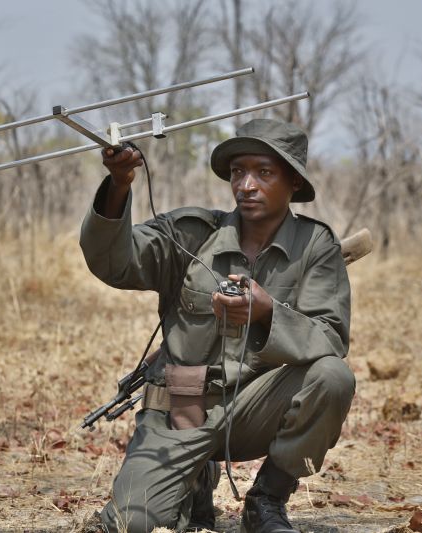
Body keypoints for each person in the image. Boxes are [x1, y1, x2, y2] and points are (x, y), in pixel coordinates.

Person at [80, 118, 356, 533]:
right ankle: (195, 481)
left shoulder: (316, 246)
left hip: (254, 409)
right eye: (238, 172)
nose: (246, 185)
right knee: (130, 525)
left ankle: (266, 500)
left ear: (294, 181)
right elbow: (113, 263)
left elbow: (331, 335)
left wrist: (267, 313)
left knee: (332, 377)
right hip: (179, 413)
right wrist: (119, 184)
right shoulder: (190, 234)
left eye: (264, 173)